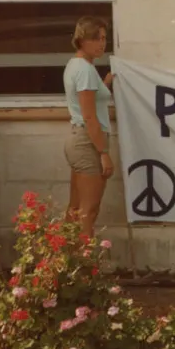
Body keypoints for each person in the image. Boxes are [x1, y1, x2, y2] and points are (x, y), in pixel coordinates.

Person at [63, 16, 116, 237]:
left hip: (81, 139)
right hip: (88, 142)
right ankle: (84, 266)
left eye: (104, 38)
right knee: (88, 210)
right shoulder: (84, 70)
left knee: (76, 209)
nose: (102, 43)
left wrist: (107, 82)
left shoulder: (79, 66)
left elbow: (91, 99)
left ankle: (66, 262)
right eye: (96, 38)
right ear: (82, 40)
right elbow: (90, 117)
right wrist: (103, 153)